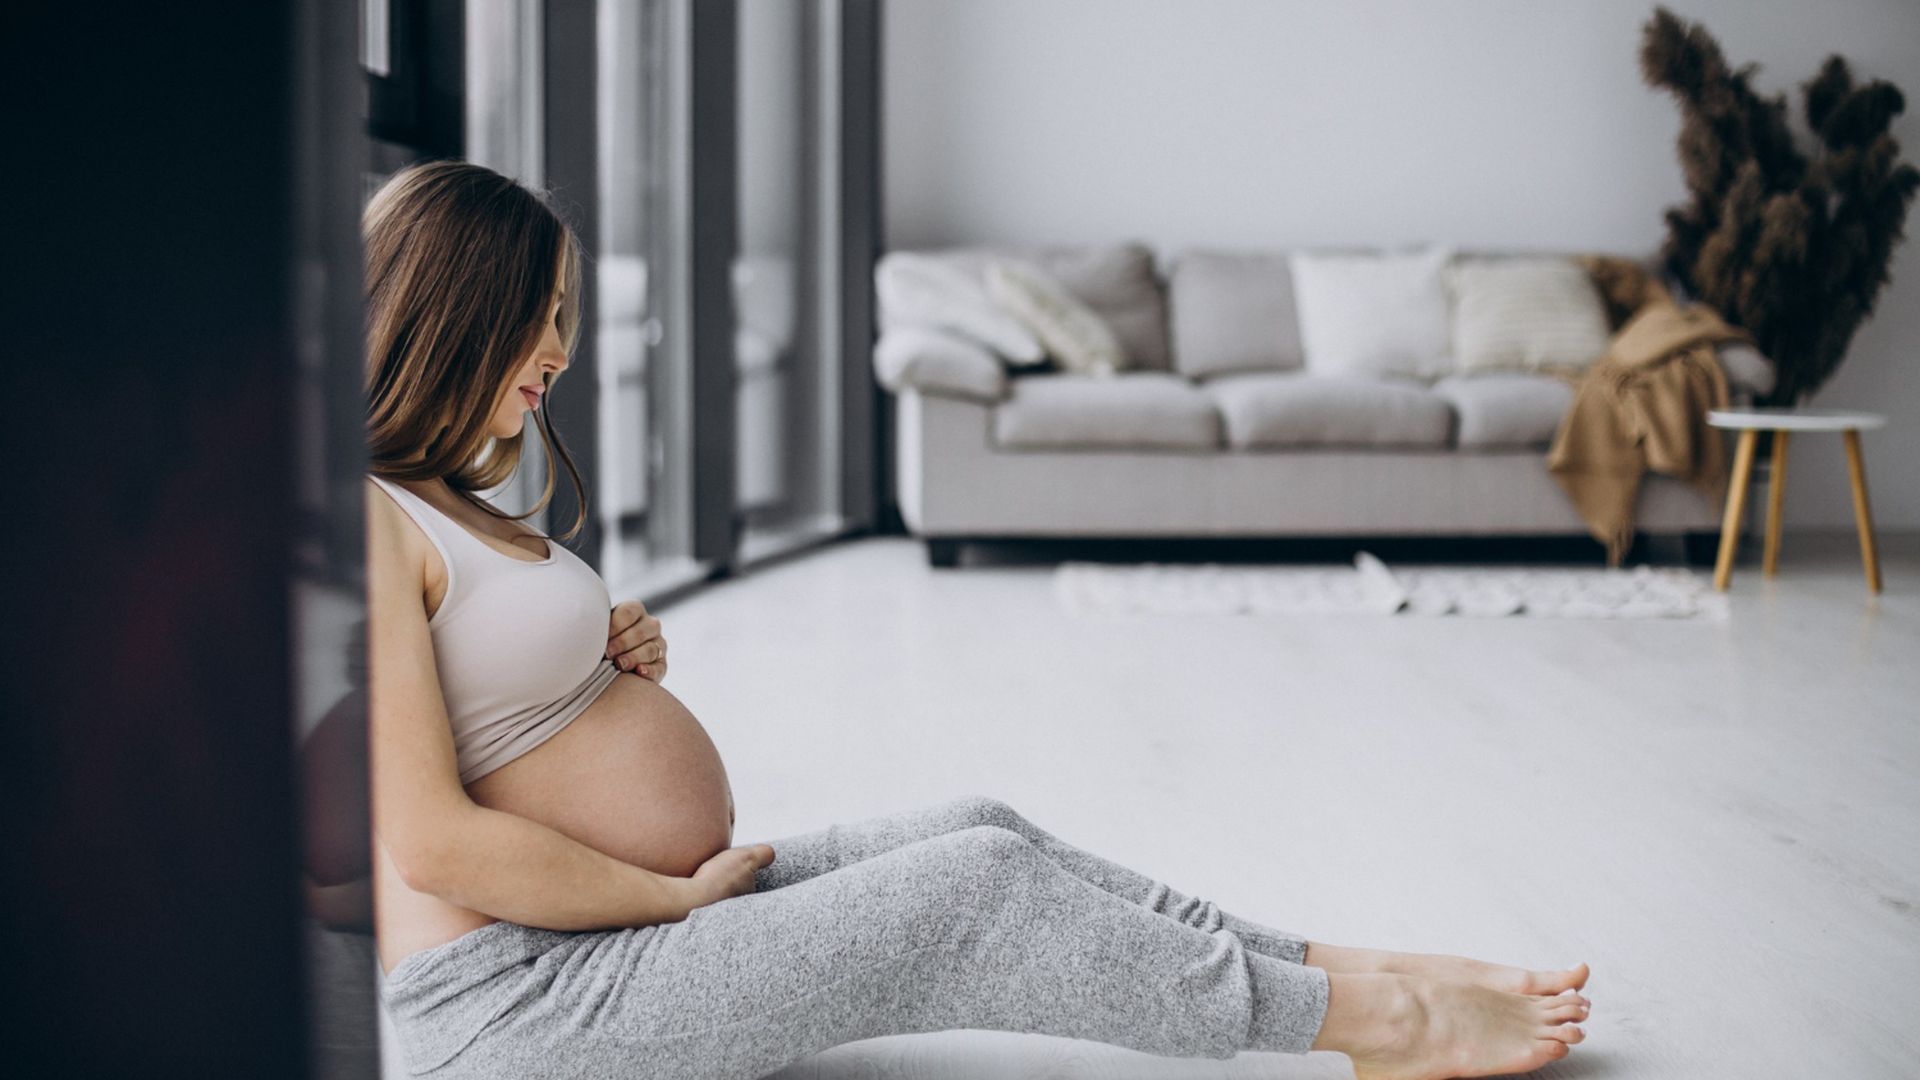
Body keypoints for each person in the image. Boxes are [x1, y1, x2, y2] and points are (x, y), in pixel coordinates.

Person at [363, 159, 1591, 1080]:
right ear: (456, 307)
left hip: (594, 930)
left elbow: (501, 721)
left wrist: (603, 661)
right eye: (543, 313)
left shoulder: (445, 502)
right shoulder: (368, 521)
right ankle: (1373, 1029)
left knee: (976, 825)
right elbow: (433, 845)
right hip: (516, 1009)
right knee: (975, 888)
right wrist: (677, 901)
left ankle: (1327, 965)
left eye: (567, 315)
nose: (561, 350)